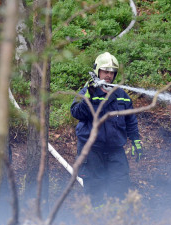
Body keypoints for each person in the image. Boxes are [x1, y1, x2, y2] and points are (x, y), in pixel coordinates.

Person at [70, 52, 143, 206]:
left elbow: (130, 120)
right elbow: (76, 113)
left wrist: (136, 140)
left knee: (120, 188)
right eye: (105, 72)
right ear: (97, 71)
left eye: (112, 72)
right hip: (92, 152)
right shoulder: (86, 92)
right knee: (96, 194)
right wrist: (89, 95)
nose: (109, 76)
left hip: (115, 151)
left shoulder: (122, 96)